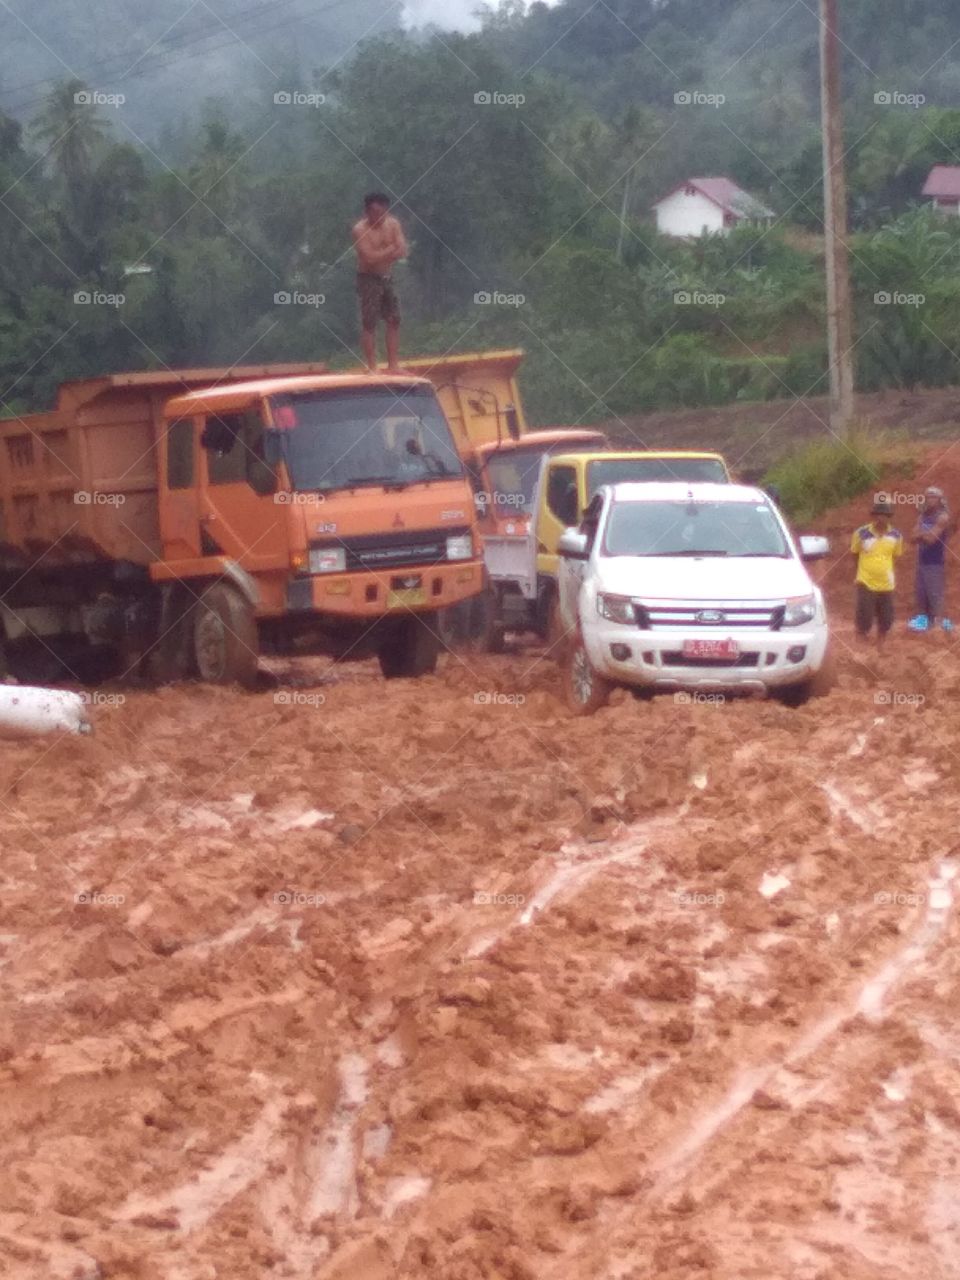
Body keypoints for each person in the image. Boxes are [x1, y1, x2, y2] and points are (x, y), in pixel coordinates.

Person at [351, 193, 408, 373]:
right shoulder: (360, 230)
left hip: (387, 276)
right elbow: (368, 258)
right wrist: (391, 249)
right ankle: (372, 366)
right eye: (376, 212)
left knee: (394, 319)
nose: (380, 216)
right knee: (370, 322)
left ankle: (393, 365)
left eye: (383, 212)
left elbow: (403, 250)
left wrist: (385, 253)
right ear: (367, 212)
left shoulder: (393, 224)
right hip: (368, 278)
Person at [851, 499, 903, 650]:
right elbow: (854, 554)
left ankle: (882, 642)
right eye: (878, 515)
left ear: (889, 517)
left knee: (886, 617)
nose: (881, 518)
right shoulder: (861, 533)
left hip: (886, 583)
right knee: (865, 614)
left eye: (885, 515)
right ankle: (861, 639)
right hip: (865, 581)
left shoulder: (896, 535)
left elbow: (895, 556)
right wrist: (859, 574)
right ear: (874, 516)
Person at [908, 486, 953, 632]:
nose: (929, 499)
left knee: (935, 593)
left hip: (935, 562)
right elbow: (911, 538)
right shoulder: (922, 516)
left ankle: (938, 624)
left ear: (940, 500)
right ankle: (925, 622)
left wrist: (920, 534)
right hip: (921, 560)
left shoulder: (942, 517)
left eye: (933, 496)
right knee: (921, 592)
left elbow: (930, 539)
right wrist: (922, 535)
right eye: (927, 496)